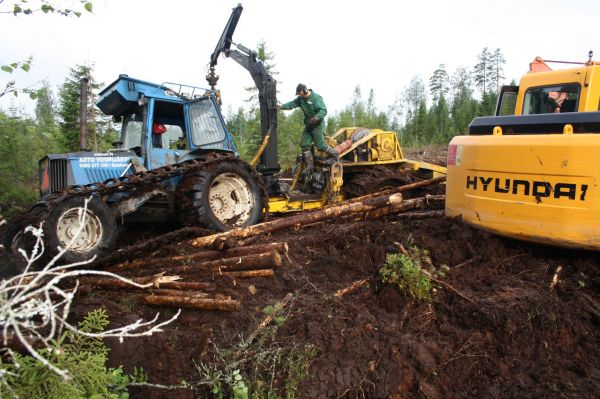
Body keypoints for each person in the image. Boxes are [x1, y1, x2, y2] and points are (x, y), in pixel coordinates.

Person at [278, 84, 338, 161]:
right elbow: (292, 104)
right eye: (299, 94)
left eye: (300, 94)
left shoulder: (316, 98)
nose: (300, 96)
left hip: (318, 125)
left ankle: (335, 155)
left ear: (305, 90)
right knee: (304, 145)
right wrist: (281, 106)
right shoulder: (301, 99)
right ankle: (310, 166)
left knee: (320, 145)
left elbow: (323, 110)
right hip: (309, 125)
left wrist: (317, 117)